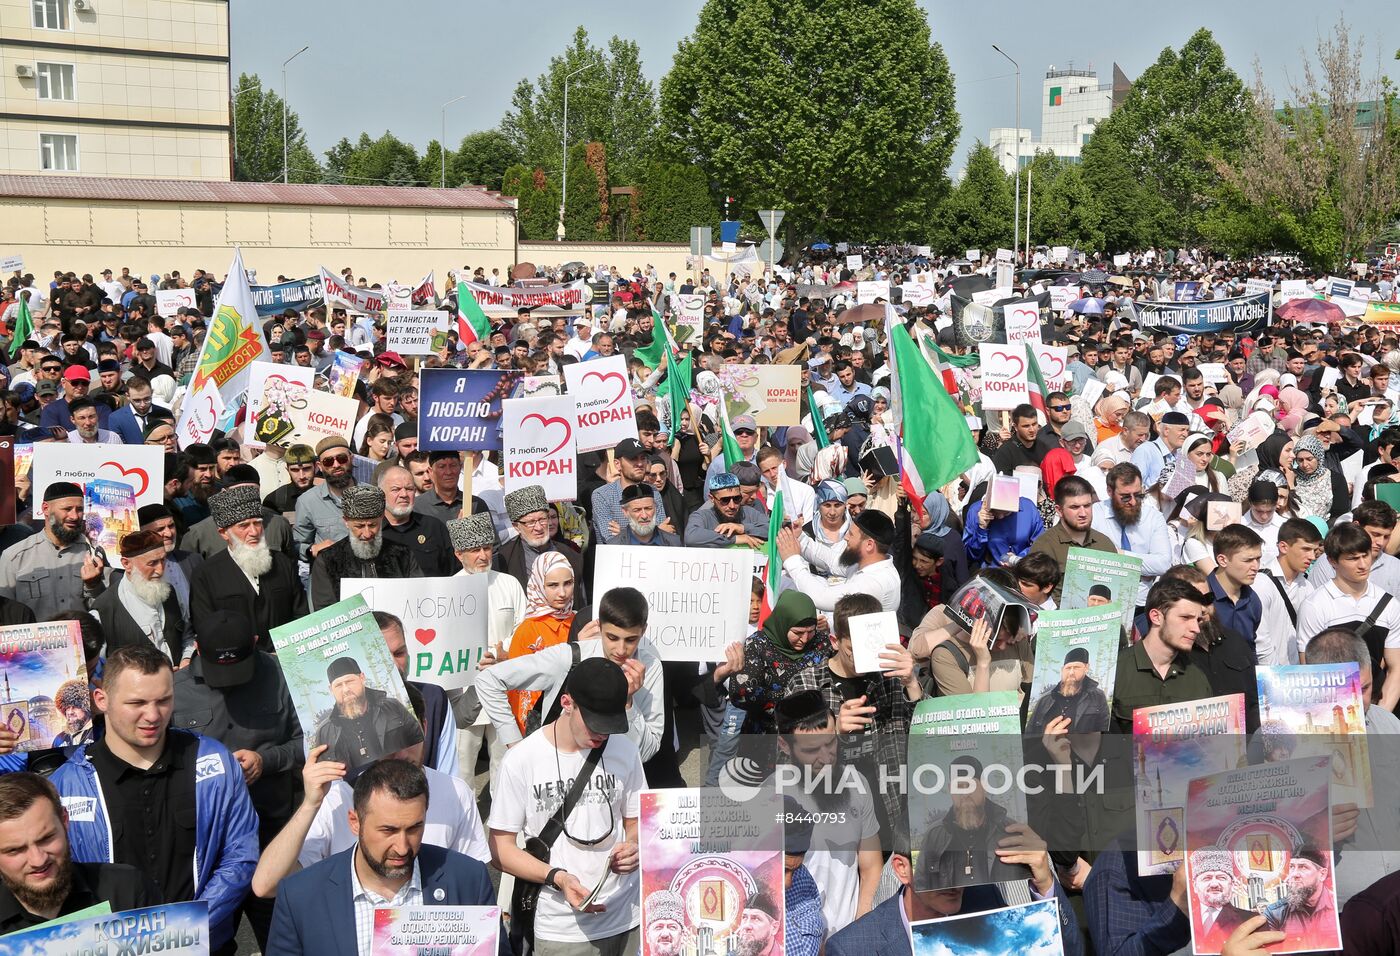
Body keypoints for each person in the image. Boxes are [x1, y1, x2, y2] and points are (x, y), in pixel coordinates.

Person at [49, 643, 259, 954]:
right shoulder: (66, 786)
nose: (153, 715)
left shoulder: (213, 761)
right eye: (137, 703)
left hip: (205, 945)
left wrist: (181, 930)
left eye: (163, 701)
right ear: (101, 699)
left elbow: (240, 855)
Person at [266, 758, 507, 956]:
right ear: (355, 822)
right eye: (388, 830)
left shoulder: (468, 879)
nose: (402, 847)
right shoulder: (300, 896)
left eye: (414, 828)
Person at [488, 658, 644, 956]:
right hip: (560, 928)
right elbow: (500, 850)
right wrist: (557, 877)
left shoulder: (625, 750)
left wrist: (634, 846)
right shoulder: (522, 759)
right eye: (595, 724)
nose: (602, 735)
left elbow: (637, 821)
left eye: (610, 726)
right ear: (567, 703)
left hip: (626, 916)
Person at [172, 609, 303, 951]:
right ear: (197, 648)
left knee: (284, 942)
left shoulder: (282, 675)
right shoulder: (174, 691)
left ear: (256, 644)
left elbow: (311, 740)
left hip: (272, 836)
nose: (229, 681)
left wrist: (267, 760)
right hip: (206, 849)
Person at [477, 587, 664, 764]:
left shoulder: (651, 667)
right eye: (612, 638)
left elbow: (645, 753)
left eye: (631, 640)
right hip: (558, 773)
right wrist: (515, 745)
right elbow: (488, 680)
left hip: (616, 780)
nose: (621, 649)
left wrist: (627, 704)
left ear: (644, 631)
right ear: (599, 627)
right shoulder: (572, 656)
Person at [786, 591, 920, 831]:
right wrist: (833, 731)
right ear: (835, 641)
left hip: (889, 806)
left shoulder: (891, 678)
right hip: (830, 809)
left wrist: (911, 684)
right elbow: (786, 755)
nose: (863, 656)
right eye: (853, 649)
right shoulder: (806, 684)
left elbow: (926, 731)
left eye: (870, 647)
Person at [826, 837, 1082, 956]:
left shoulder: (988, 904)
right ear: (902, 869)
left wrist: (1046, 883)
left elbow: (1069, 951)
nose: (954, 880)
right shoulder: (852, 948)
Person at [771, 690, 882, 934]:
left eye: (830, 742)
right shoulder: (767, 797)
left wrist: (861, 927)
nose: (826, 758)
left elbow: (871, 865)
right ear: (784, 745)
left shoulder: (857, 784)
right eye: (811, 750)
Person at [0, 773, 156, 935]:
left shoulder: (127, 890)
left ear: (65, 820)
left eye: (46, 838)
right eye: (15, 850)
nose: (38, 860)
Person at [445, 512, 526, 783]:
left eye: (487, 548)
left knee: (505, 761)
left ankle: (502, 820)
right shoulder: (447, 591)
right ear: (459, 554)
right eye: (474, 550)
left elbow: (522, 627)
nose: (482, 555)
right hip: (465, 690)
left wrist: (505, 653)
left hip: (505, 686)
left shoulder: (509, 584)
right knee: (463, 762)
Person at [188, 484, 307, 650]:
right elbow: (206, 627)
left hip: (286, 658)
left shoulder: (282, 562)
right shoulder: (206, 574)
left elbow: (301, 613)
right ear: (223, 533)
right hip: (237, 664)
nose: (254, 532)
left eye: (257, 523)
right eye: (243, 526)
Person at [1295, 523, 1400, 709]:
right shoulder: (1315, 605)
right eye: (1352, 559)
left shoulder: (1389, 604)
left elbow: (1396, 668)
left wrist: (1381, 714)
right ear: (1332, 561)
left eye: (1366, 555)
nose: (1363, 564)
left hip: (1377, 705)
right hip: (1331, 709)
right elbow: (1310, 670)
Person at [0, 481, 109, 621]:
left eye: (79, 509)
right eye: (67, 509)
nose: (75, 516)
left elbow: (106, 611)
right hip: (33, 642)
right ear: (46, 508)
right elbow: (5, 614)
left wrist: (93, 585)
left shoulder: (95, 553)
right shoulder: (14, 556)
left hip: (85, 641)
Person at [308, 484, 424, 611]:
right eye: (359, 526)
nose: (367, 533)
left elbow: (417, 597)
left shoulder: (403, 554)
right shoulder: (328, 560)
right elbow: (325, 610)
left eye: (373, 525)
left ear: (381, 518)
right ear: (346, 521)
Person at [89, 528, 193, 665]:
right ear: (127, 564)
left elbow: (188, 637)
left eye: (163, 560)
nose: (161, 570)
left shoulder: (170, 592)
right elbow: (98, 667)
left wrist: (186, 659)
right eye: (152, 563)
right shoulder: (104, 610)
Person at [376, 610, 458, 777]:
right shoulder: (331, 719)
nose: (395, 666)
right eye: (382, 657)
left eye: (399, 654)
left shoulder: (434, 699)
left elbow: (447, 777)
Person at [312, 655, 424, 769]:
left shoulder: (392, 707)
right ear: (331, 689)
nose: (345, 690)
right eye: (338, 685)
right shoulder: (324, 732)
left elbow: (418, 742)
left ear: (362, 678)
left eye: (349, 681)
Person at [778, 509, 900, 612]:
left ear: (869, 545)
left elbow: (822, 597)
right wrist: (800, 537)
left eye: (851, 534)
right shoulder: (865, 564)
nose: (846, 537)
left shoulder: (875, 581)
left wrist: (792, 560)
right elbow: (832, 560)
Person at [1092, 463, 1172, 608]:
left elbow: (1163, 564)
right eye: (1125, 497)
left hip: (1141, 604)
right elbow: (1090, 561)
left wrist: (1117, 554)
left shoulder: (1153, 517)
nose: (1133, 502)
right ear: (1110, 491)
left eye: (1138, 495)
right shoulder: (1094, 515)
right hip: (1101, 603)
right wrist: (1142, 568)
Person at [1028, 474, 1117, 604]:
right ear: (1059, 510)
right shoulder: (1044, 546)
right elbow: (1034, 597)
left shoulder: (1104, 544)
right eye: (1074, 507)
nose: (1083, 513)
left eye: (1087, 505)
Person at [494, 485, 585, 598]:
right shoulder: (504, 559)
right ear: (516, 527)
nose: (539, 527)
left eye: (542, 519)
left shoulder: (570, 555)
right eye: (531, 522)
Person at [1255, 518, 1323, 666]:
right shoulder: (1261, 583)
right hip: (1270, 676)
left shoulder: (1307, 586)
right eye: (1305, 549)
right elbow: (1260, 639)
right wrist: (1275, 676)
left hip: (1297, 677)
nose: (1312, 557)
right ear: (1283, 547)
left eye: (1315, 550)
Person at [377, 465, 456, 576]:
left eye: (409, 489)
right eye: (396, 489)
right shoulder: (371, 532)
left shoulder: (433, 527)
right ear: (381, 494)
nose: (404, 495)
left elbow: (454, 572)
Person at [592, 437, 670, 541]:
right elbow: (612, 539)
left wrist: (624, 534)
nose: (640, 464)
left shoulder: (653, 492)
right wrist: (654, 533)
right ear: (617, 464)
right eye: (633, 458)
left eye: (643, 458)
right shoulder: (602, 495)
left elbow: (664, 535)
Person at [1262, 845, 1338, 947]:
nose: (1294, 874)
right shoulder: (1275, 913)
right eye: (1292, 867)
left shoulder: (1338, 906)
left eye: (1303, 867)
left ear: (1322, 874)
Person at [1025, 646, 1109, 736]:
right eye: (1068, 668)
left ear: (1086, 668)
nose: (1071, 672)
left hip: (1084, 749)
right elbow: (1029, 736)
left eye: (1076, 667)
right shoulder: (1044, 700)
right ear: (1062, 670)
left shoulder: (1098, 696)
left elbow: (1105, 731)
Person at [1190, 848, 1256, 950]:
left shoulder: (1251, 920)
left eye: (1221, 877)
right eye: (1207, 878)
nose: (1214, 884)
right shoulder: (1183, 920)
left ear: (1232, 884)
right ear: (1195, 885)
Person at [685, 472, 768, 548]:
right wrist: (734, 539)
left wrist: (743, 528)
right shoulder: (702, 516)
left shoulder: (749, 512)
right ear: (712, 498)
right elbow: (691, 537)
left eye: (736, 499)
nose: (732, 506)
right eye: (725, 500)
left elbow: (773, 529)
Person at [607, 482, 682, 546]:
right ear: (625, 512)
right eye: (637, 510)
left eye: (648, 508)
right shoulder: (614, 546)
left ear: (655, 508)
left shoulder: (674, 543)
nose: (644, 516)